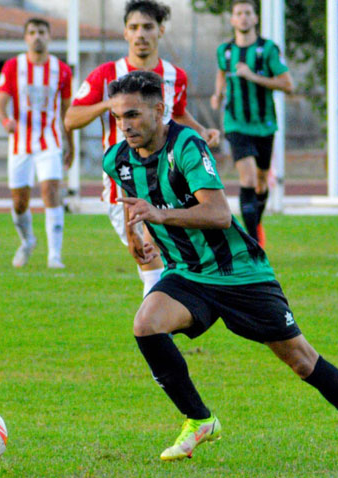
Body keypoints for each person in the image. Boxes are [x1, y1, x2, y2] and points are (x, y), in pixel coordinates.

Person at [104, 70, 338, 464]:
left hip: (240, 272)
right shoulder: (117, 159)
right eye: (118, 117)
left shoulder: (186, 145)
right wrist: (139, 238)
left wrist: (161, 217)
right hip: (187, 273)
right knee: (145, 325)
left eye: (133, 115)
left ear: (159, 110)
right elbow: (135, 203)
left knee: (302, 360)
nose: (125, 125)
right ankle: (199, 419)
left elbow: (218, 214)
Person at [65, 0, 220, 295]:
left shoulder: (176, 76)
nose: (141, 34)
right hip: (123, 184)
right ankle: (162, 328)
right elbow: (70, 119)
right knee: (154, 258)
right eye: (134, 27)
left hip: (168, 182)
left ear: (161, 30)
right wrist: (107, 104)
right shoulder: (106, 75)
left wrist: (202, 131)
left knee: (162, 259)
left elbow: (177, 114)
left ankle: (163, 329)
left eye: (148, 27)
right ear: (125, 33)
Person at [210, 0, 293, 247]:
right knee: (246, 179)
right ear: (233, 20)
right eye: (238, 14)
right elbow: (221, 72)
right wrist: (218, 94)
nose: (243, 18)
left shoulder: (267, 49)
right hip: (236, 124)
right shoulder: (225, 51)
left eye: (248, 13)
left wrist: (252, 76)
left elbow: (288, 84)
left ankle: (255, 223)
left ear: (255, 18)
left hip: (264, 124)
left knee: (260, 180)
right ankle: (253, 244)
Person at [0, 18, 74, 269]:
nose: (37, 36)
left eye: (42, 32)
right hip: (20, 142)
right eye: (32, 32)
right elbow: (0, 104)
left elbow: (66, 111)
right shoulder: (12, 66)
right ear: (25, 37)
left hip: (49, 140)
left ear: (49, 36)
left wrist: (69, 142)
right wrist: (6, 120)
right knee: (20, 202)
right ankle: (28, 240)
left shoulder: (61, 70)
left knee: (51, 191)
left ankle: (55, 256)